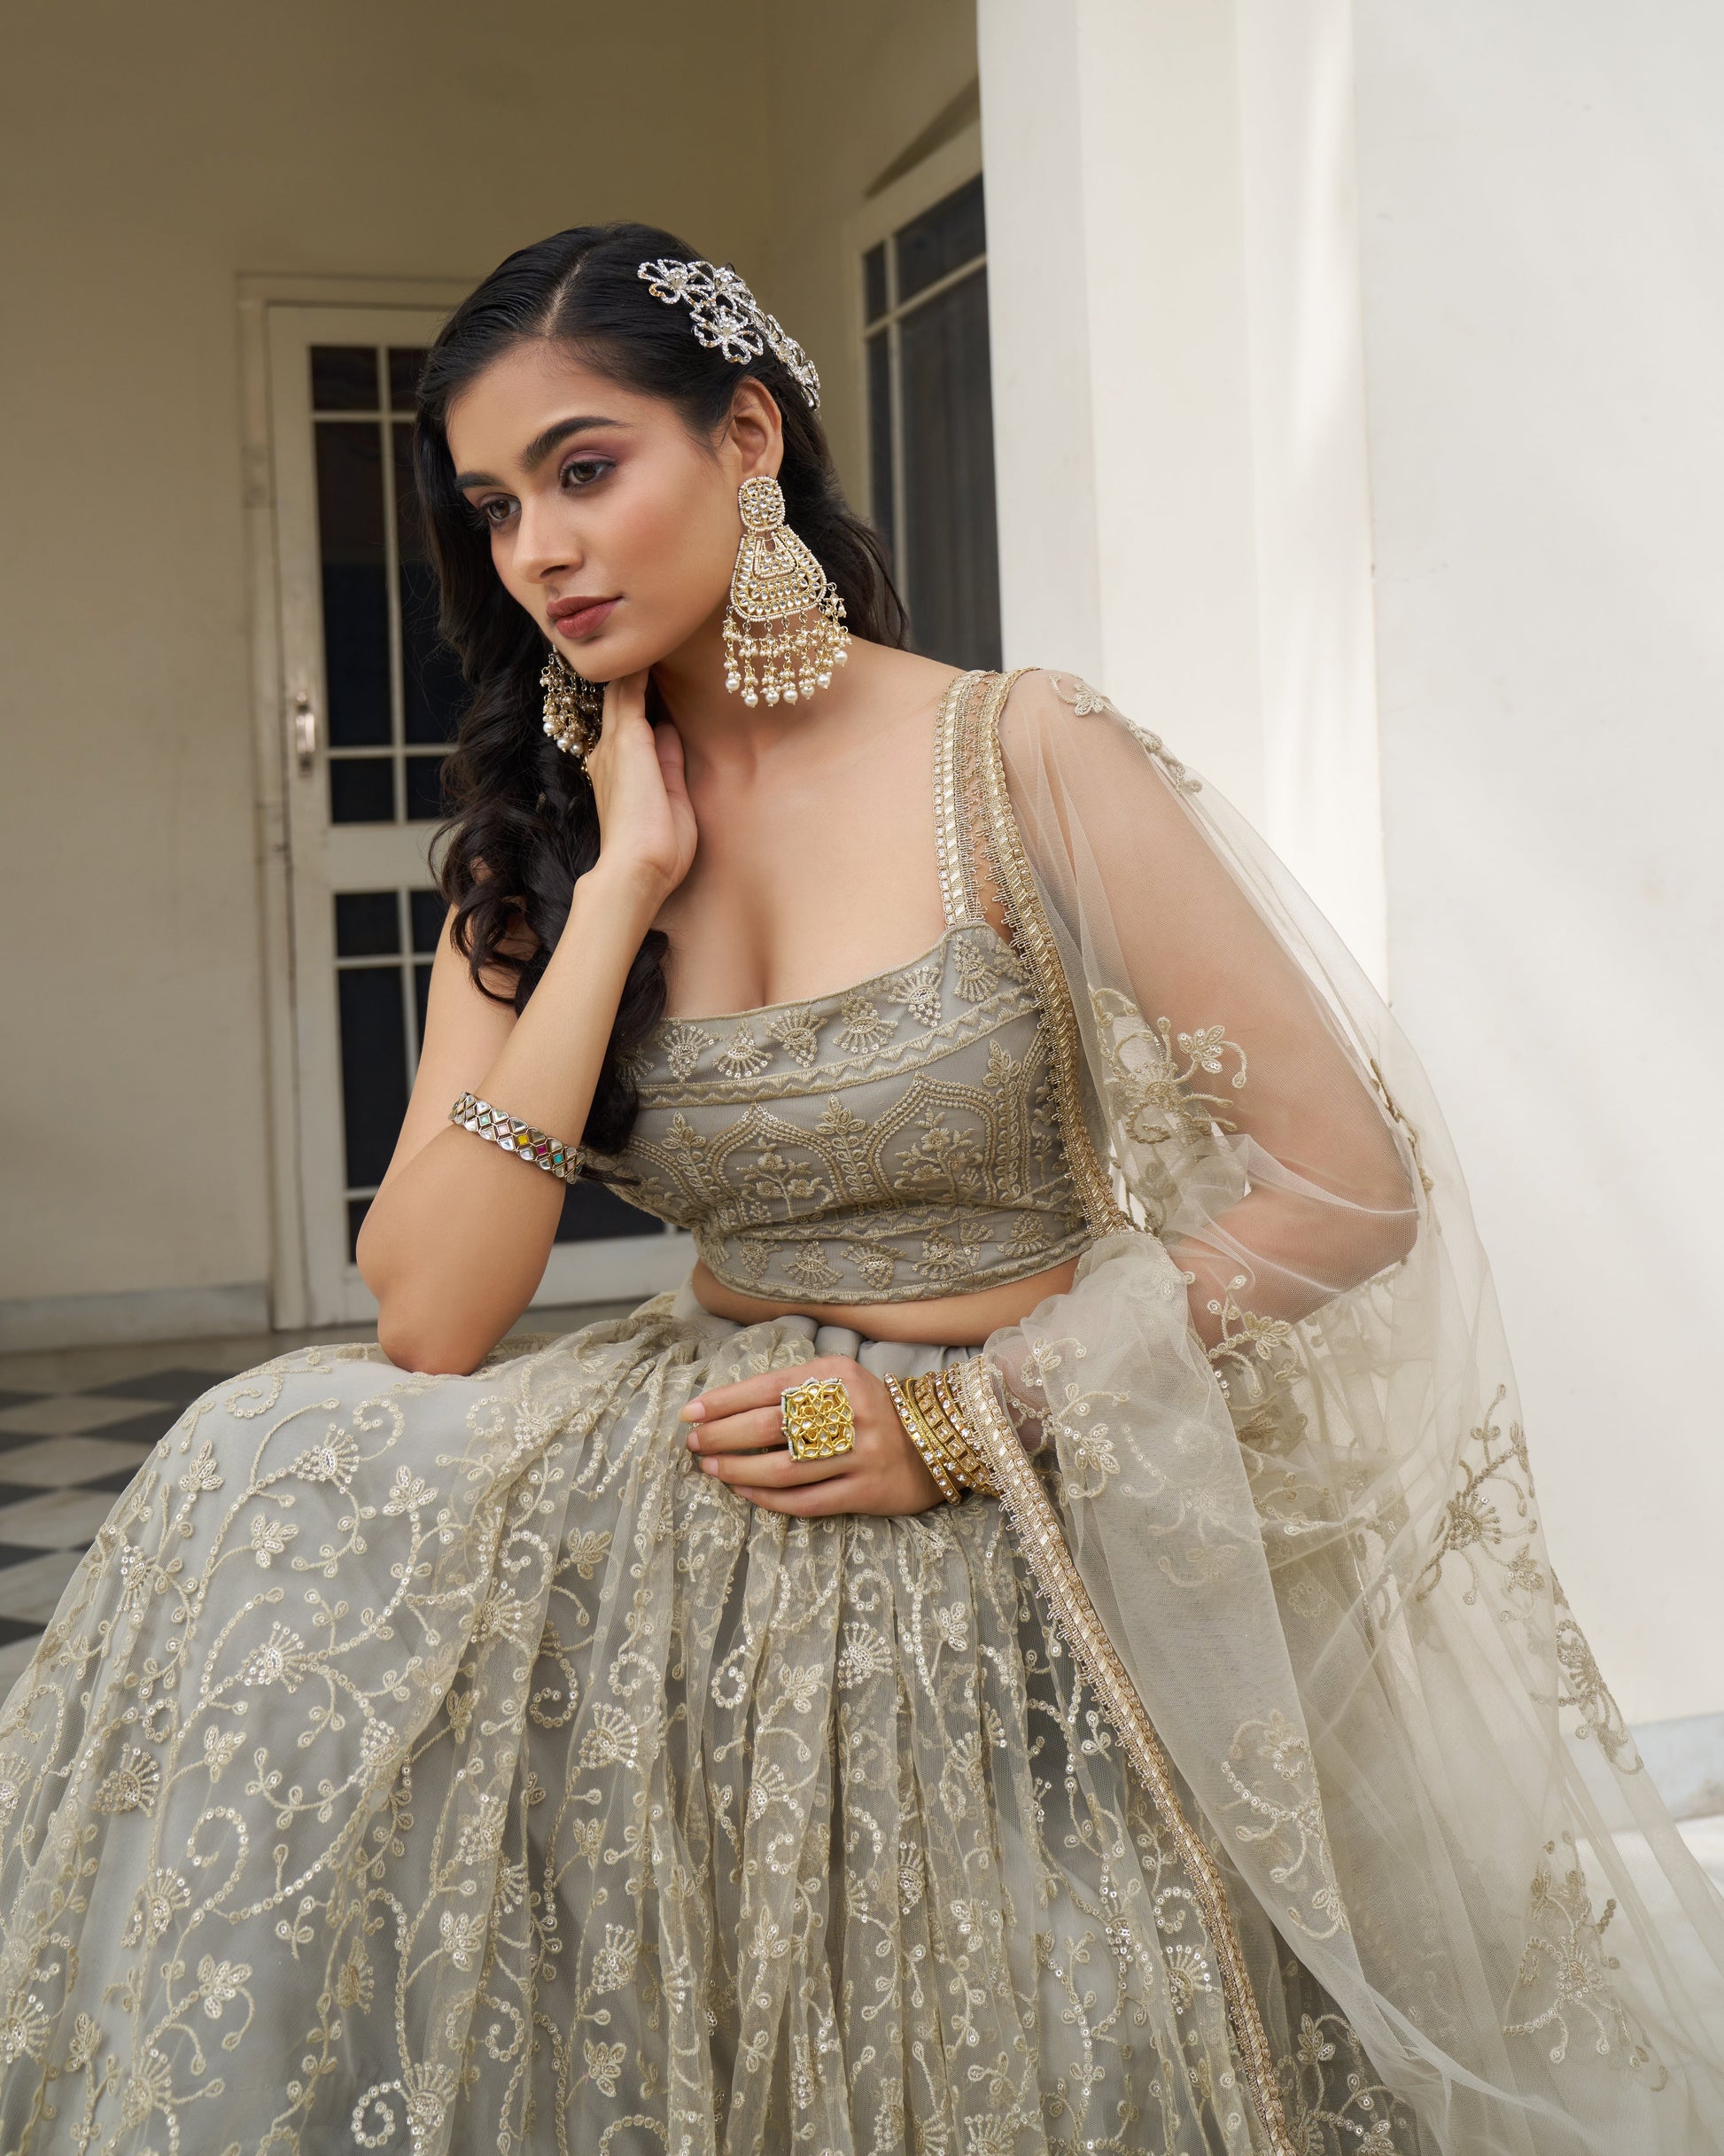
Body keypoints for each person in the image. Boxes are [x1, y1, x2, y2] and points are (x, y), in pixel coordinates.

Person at [0, 223, 1719, 2156]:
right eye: (493, 508)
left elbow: (1345, 1184)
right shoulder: (552, 825)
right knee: (268, 1459)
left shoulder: (1018, 753)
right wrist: (615, 892)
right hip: (703, 1474)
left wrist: (970, 1421)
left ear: (743, 437)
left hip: (1022, 1477)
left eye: (584, 468)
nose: (539, 550)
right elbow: (430, 1314)